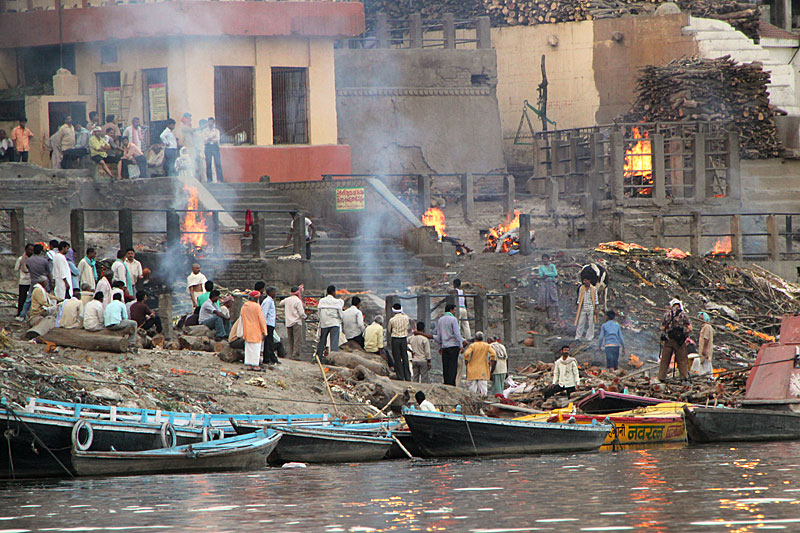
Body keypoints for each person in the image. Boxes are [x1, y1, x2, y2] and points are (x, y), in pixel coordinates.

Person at [657, 299, 693, 382]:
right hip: (679, 341)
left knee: (665, 360)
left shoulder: (667, 314)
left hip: (669, 340)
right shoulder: (684, 315)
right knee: (682, 360)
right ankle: (683, 378)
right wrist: (684, 334)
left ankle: (661, 378)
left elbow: (662, 327)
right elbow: (690, 328)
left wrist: (667, 331)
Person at [17, 243, 51, 321]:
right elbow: (48, 272)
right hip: (43, 282)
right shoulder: (44, 261)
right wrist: (51, 281)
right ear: (40, 251)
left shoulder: (29, 260)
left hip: (33, 281)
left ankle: (22, 315)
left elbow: (28, 269)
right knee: (45, 298)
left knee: (28, 299)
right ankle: (46, 314)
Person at [436, 303, 464, 386]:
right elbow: (457, 333)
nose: (455, 312)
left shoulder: (440, 320)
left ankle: (446, 382)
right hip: (453, 345)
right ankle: (451, 384)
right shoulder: (453, 319)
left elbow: (439, 335)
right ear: (451, 310)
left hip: (444, 346)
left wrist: (440, 347)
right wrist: (461, 345)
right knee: (452, 365)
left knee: (446, 365)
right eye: (454, 310)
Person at [462, 332, 497, 396]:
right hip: (482, 369)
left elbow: (466, 353)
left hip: (473, 370)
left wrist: (466, 360)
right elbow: (493, 353)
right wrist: (492, 360)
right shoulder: (486, 345)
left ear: (475, 338)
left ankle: (472, 400)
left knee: (472, 389)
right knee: (483, 388)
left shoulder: (472, 345)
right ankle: (484, 400)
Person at [241, 290, 268, 371]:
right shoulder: (257, 307)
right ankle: (256, 365)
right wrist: (264, 331)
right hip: (256, 330)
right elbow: (261, 320)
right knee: (256, 348)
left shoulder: (244, 306)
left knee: (248, 347)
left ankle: (249, 365)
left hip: (247, 329)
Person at [316, 285, 343, 363]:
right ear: (333, 292)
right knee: (334, 342)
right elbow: (340, 314)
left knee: (322, 340)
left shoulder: (321, 301)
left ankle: (318, 357)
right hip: (334, 323)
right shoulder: (337, 301)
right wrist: (340, 320)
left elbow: (319, 313)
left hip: (324, 323)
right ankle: (333, 360)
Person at [388, 303, 411, 381]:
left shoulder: (392, 320)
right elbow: (408, 327)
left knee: (397, 358)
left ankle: (400, 376)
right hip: (403, 339)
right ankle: (407, 376)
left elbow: (389, 330)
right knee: (405, 357)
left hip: (395, 339)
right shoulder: (406, 318)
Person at [282, 285, 306, 359]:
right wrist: (305, 317)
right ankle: (295, 355)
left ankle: (291, 353)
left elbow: (280, 303)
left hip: (288, 322)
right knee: (297, 340)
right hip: (296, 322)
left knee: (290, 339)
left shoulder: (287, 300)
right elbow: (301, 313)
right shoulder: (298, 301)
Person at [575, 277, 599, 342]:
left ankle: (589, 337)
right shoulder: (581, 288)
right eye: (583, 280)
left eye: (585, 280)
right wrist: (578, 307)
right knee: (580, 323)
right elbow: (579, 298)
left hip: (591, 308)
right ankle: (578, 337)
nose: (584, 282)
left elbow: (596, 300)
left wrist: (595, 310)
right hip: (583, 308)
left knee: (591, 323)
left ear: (589, 280)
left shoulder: (593, 289)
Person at [691, 312, 714, 377]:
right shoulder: (706, 326)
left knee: (705, 363)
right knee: (704, 362)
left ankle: (707, 377)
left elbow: (706, 339)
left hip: (705, 349)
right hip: (704, 349)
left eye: (702, 318)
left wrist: (704, 349)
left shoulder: (706, 327)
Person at [538, 254, 560, 321]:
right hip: (545, 284)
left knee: (555, 300)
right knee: (546, 301)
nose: (544, 260)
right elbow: (541, 275)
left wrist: (547, 274)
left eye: (546, 259)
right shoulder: (541, 267)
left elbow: (555, 274)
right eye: (543, 259)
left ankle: (558, 316)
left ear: (548, 259)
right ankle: (548, 317)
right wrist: (548, 275)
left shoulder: (552, 266)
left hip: (552, 284)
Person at [261, 286, 279, 365]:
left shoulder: (270, 301)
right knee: (268, 342)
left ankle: (270, 358)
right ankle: (268, 358)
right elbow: (264, 314)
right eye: (274, 292)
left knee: (269, 342)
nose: (275, 294)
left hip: (270, 324)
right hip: (267, 324)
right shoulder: (267, 301)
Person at [202, 117, 224, 182]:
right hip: (208, 147)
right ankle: (209, 179)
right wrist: (211, 138)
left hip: (215, 147)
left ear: (214, 123)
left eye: (212, 122)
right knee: (208, 163)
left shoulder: (216, 131)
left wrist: (209, 138)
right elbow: (204, 140)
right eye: (209, 122)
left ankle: (220, 179)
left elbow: (217, 139)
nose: (210, 123)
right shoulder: (204, 131)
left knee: (218, 163)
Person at [14, 243, 33, 317]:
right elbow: (16, 269)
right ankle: (20, 313)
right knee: (22, 298)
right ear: (26, 250)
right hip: (23, 281)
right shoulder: (20, 259)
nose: (31, 252)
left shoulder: (33, 260)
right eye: (30, 250)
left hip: (31, 281)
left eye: (32, 250)